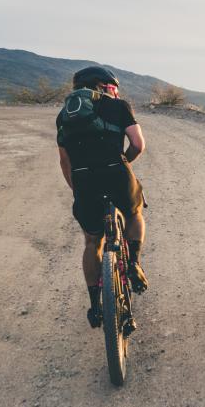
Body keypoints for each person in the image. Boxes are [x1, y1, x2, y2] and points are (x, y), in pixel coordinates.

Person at [56, 66, 148, 333]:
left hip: (85, 181)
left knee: (92, 241)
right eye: (112, 87)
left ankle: (95, 303)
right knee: (134, 212)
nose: (114, 91)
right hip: (116, 172)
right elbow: (138, 144)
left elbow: (65, 161)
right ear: (102, 85)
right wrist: (123, 164)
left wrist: (78, 188)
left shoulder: (64, 116)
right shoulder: (119, 106)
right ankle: (133, 264)